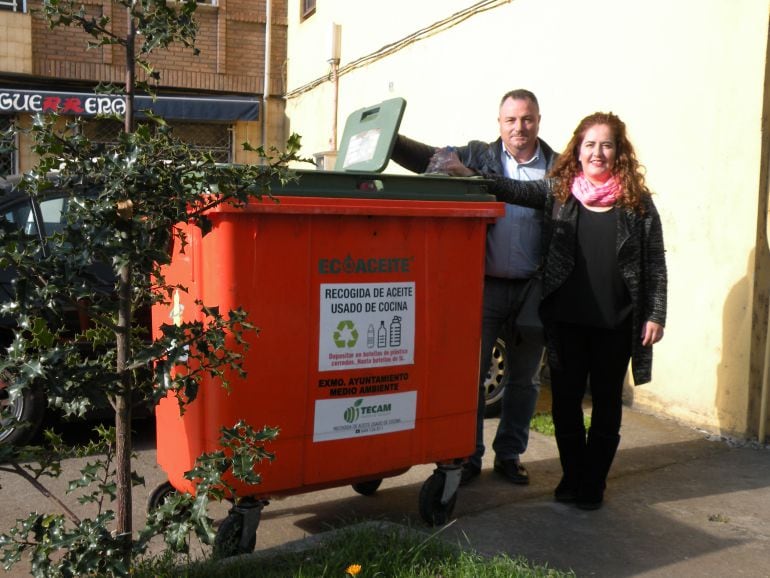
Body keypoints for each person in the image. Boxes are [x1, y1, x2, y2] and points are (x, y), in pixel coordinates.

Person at [436, 111, 667, 509]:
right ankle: (573, 476)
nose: (598, 153)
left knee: (608, 406)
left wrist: (655, 314)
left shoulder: (637, 203)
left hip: (617, 323)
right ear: (577, 150)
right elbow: (511, 189)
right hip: (566, 321)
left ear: (619, 152)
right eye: (590, 144)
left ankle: (593, 483)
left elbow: (654, 263)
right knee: (565, 405)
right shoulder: (560, 192)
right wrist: (464, 171)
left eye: (606, 145)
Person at [391, 89, 558, 486]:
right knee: (470, 376)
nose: (520, 127)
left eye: (527, 119)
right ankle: (467, 456)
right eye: (511, 119)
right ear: (499, 123)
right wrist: (390, 140)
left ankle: (510, 454)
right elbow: (426, 157)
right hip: (484, 285)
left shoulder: (559, 167)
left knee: (524, 380)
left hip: (533, 288)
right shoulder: (478, 156)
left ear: (538, 120)